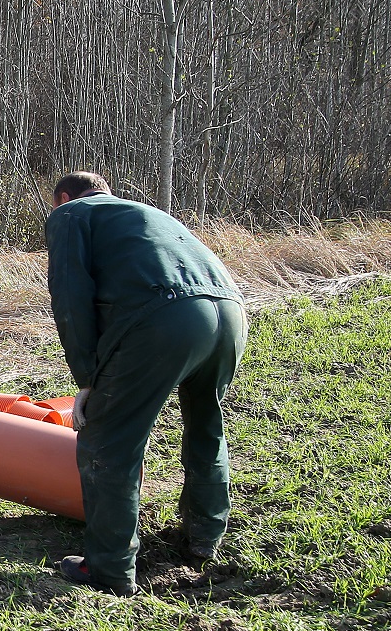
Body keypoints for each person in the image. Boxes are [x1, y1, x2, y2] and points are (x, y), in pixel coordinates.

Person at [45, 171, 246, 592]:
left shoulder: (71, 215)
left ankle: (109, 569)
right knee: (206, 423)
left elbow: (71, 299)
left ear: (64, 196)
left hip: (166, 319)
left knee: (109, 438)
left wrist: (87, 378)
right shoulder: (146, 213)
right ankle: (204, 537)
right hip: (230, 313)